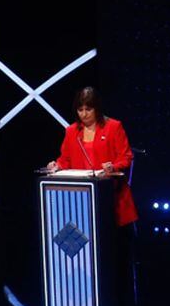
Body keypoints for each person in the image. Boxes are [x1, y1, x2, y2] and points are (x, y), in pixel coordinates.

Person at [46, 87, 138, 227]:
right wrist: (56, 165)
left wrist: (113, 167)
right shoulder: (71, 131)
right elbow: (65, 160)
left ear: (97, 109)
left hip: (111, 195)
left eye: (88, 109)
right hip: (81, 198)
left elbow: (126, 157)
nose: (84, 114)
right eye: (80, 110)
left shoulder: (113, 127)